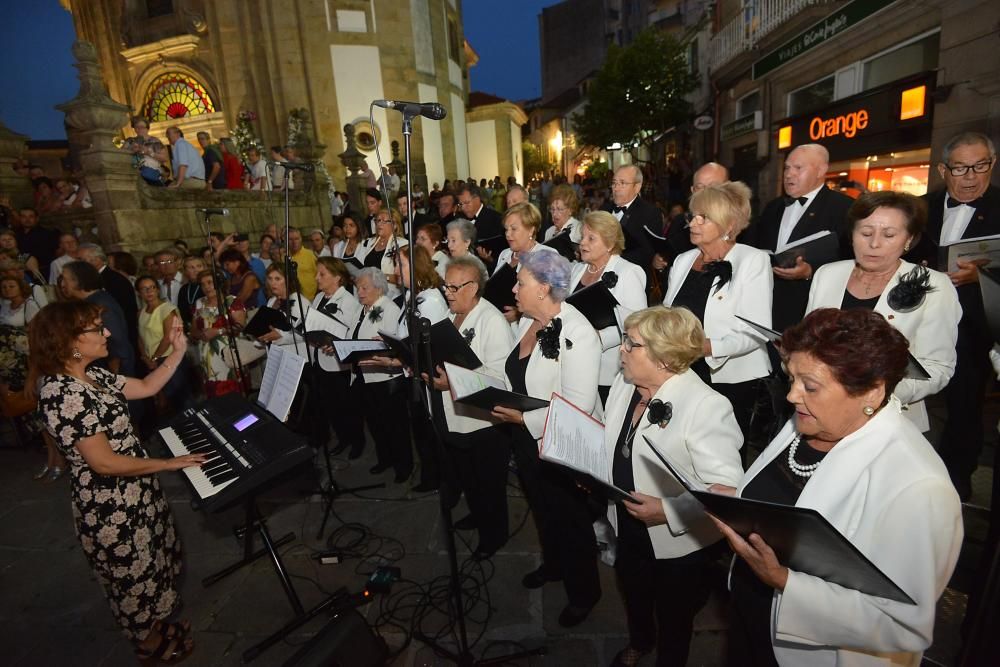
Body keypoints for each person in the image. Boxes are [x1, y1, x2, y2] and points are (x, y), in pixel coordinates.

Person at [715, 307, 963, 666]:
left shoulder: (919, 487)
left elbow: (902, 626)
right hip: (749, 622)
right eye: (791, 379)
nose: (792, 396)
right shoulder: (812, 420)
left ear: (872, 393)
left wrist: (785, 581)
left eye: (810, 386)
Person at [31, 300, 205, 663]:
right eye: (97, 328)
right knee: (133, 578)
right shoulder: (62, 393)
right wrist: (167, 463)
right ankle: (149, 646)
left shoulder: (92, 374)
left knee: (152, 561)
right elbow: (104, 462)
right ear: (69, 341)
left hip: (136, 490)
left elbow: (143, 385)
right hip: (110, 504)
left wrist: (178, 351)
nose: (107, 332)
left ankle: (158, 626)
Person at [604, 306, 744, 667]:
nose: (621, 350)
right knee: (632, 590)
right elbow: (616, 441)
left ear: (663, 358)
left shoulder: (706, 406)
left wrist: (666, 510)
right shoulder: (627, 383)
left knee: (674, 615)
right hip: (625, 522)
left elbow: (726, 490)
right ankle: (640, 640)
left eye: (630, 344)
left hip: (677, 542)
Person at [491, 251, 603, 627]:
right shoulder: (526, 321)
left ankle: (584, 592)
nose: (514, 288)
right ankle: (554, 564)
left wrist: (523, 417)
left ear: (542, 289)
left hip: (562, 441)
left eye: (520, 282)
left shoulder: (578, 332)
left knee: (571, 519)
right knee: (541, 508)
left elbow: (578, 405)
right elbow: (514, 373)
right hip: (527, 436)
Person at [807, 191, 960, 433]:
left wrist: (871, 394)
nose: (874, 243)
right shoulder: (827, 274)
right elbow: (811, 342)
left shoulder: (934, 285)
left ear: (908, 239)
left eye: (889, 234)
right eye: (865, 233)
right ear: (851, 235)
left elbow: (938, 367)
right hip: (817, 411)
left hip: (888, 419)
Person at [907, 131, 998, 500]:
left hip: (973, 328)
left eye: (981, 166)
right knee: (909, 398)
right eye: (961, 168)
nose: (971, 177)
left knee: (964, 408)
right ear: (944, 170)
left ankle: (954, 486)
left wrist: (982, 276)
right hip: (916, 321)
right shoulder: (919, 207)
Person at [662, 182, 773, 444]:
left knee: (725, 448)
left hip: (731, 377)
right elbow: (668, 312)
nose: (693, 224)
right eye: (692, 216)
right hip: (684, 370)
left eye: (704, 218)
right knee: (683, 443)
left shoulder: (752, 260)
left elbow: (756, 330)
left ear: (729, 226)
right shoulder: (683, 260)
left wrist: (708, 347)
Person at [425, 256, 515, 557]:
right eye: (445, 286)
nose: (447, 292)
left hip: (485, 423)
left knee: (489, 484)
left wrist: (451, 381)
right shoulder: (453, 317)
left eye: (453, 286)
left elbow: (499, 378)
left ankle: (494, 536)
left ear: (473, 286)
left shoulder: (492, 321)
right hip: (457, 417)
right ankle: (477, 515)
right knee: (469, 478)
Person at [743, 143, 853, 331]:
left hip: (811, 311)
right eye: (786, 167)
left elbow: (850, 260)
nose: (788, 174)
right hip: (766, 305)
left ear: (821, 170)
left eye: (798, 168)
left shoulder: (844, 208)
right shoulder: (773, 207)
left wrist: (810, 271)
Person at [569, 211, 647, 404]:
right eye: (582, 238)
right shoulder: (577, 269)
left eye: (591, 238)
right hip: (574, 364)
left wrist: (600, 337)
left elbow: (639, 324)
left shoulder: (628, 272)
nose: (583, 243)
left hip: (608, 369)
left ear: (610, 244)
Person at [348, 268, 409, 480]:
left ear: (379, 288)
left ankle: (404, 466)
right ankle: (385, 458)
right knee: (375, 423)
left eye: (364, 288)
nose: (360, 292)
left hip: (386, 378)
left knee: (395, 425)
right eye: (358, 288)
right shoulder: (360, 309)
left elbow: (396, 344)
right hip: (365, 376)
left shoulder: (389, 309)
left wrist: (378, 346)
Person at [308, 257, 364, 457]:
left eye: (322, 274)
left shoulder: (348, 301)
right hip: (319, 360)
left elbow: (352, 331)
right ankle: (343, 439)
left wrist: (335, 342)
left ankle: (357, 442)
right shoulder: (318, 298)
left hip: (337, 363)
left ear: (337, 278)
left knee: (347, 406)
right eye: (317, 273)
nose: (317, 278)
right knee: (331, 406)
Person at [61, 261, 135, 376]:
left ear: (77, 280)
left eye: (65, 279)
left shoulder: (99, 303)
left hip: (113, 370)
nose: (62, 284)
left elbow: (116, 338)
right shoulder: (88, 302)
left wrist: (115, 368)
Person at [190, 270, 247, 397]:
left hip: (228, 355)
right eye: (203, 284)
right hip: (207, 357)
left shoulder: (231, 301)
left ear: (220, 283)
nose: (206, 287)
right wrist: (201, 335)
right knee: (213, 393)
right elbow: (193, 330)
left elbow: (240, 327)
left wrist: (218, 331)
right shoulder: (199, 303)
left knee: (233, 392)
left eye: (210, 282)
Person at [78, 243, 139, 352]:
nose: (79, 265)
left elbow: (121, 312)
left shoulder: (113, 280)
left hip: (120, 338)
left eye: (81, 260)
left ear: (96, 260)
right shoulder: (100, 278)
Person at [606, 165, 657, 271]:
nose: (616, 188)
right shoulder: (604, 208)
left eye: (622, 183)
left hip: (632, 277)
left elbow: (647, 254)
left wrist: (609, 258)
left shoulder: (650, 213)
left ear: (637, 187)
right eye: (614, 183)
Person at [257, 264, 311, 353]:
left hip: (297, 354)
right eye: (270, 279)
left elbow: (307, 334)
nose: (273, 283)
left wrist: (281, 336)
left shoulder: (298, 301)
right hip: (275, 353)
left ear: (288, 280)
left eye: (277, 279)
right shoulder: (272, 300)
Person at [361, 207, 408, 297]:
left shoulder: (402, 244)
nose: (379, 224)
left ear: (394, 225)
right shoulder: (369, 242)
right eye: (378, 220)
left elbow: (405, 276)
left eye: (384, 221)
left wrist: (382, 277)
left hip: (391, 295)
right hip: (370, 294)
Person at [287, 227, 318, 299]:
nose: (294, 242)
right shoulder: (284, 257)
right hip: (294, 299)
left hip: (311, 298)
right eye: (290, 239)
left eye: (296, 239)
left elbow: (320, 275)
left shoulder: (310, 255)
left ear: (301, 239)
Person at [177, 256, 205, 332]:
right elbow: (181, 313)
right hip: (189, 329)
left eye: (199, 266)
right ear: (185, 271)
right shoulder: (184, 289)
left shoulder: (210, 286)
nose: (196, 270)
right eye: (191, 267)